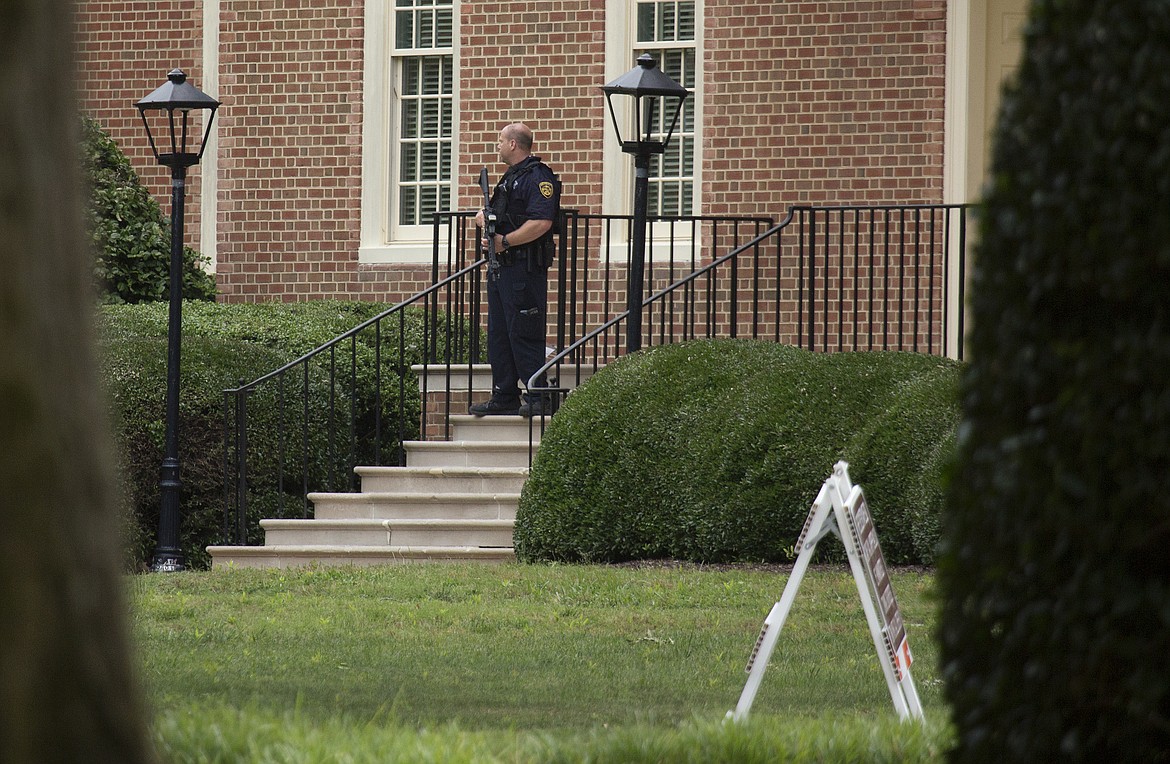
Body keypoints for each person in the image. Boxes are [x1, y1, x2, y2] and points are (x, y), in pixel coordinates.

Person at [470, 123, 560, 418]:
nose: (497, 146)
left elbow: (541, 222)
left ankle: (538, 394)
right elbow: (502, 216)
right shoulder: (509, 180)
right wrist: (485, 219)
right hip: (501, 270)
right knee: (499, 332)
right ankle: (505, 394)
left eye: (500, 141)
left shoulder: (538, 177)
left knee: (524, 331)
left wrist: (505, 242)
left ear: (513, 144)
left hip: (524, 269)